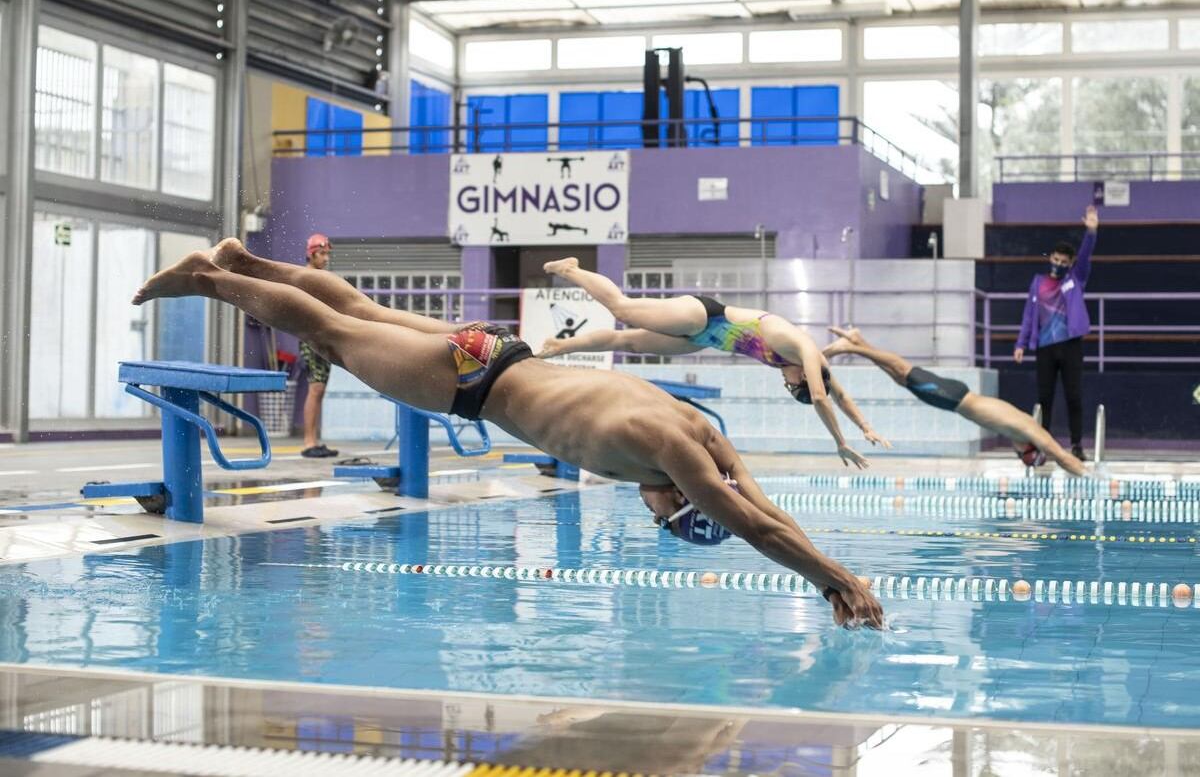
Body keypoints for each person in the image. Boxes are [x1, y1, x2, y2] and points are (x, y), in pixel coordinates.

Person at [132, 238, 884, 629]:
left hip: (499, 350)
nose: (653, 513)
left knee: (359, 310)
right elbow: (754, 526)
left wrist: (834, 569)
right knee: (335, 331)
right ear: (681, 501)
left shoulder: (701, 432)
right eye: (667, 519)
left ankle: (245, 261)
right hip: (472, 384)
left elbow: (761, 504)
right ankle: (208, 279)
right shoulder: (675, 458)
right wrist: (837, 582)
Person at [536, 258, 888, 469]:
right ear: (806, 377)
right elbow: (823, 397)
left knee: (626, 341)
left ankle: (560, 346)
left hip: (701, 338)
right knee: (623, 309)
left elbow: (840, 395)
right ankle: (572, 269)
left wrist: (865, 427)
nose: (787, 382)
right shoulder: (805, 349)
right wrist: (839, 441)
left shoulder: (812, 366)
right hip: (703, 315)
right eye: (792, 385)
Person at [823, 326, 1086, 477]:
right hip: (955, 398)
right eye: (1021, 455)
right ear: (1029, 448)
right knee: (904, 371)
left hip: (954, 400)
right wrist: (1088, 476)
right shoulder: (1033, 431)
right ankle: (850, 347)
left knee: (901, 377)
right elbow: (1063, 457)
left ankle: (857, 341)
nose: (1016, 452)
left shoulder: (1023, 431)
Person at [1014, 206, 1100, 462]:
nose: (1059, 264)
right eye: (1056, 259)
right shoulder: (1037, 283)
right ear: (1050, 257)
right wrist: (1020, 344)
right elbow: (1028, 315)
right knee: (1045, 399)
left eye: (1064, 261)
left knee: (1074, 397)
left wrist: (1091, 232)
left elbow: (1085, 255)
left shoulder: (1076, 279)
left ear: (1070, 263)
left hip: (1071, 346)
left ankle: (1076, 445)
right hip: (1045, 348)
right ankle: (1043, 446)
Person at [299, 234, 338, 459]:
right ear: (311, 254)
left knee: (319, 389)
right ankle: (308, 442)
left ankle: (313, 440)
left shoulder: (320, 277)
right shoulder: (306, 277)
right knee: (315, 388)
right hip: (310, 338)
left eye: (327, 254)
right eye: (322, 254)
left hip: (321, 338)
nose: (325, 258)